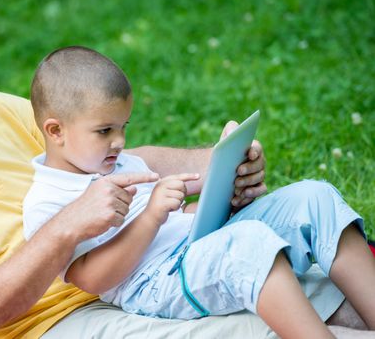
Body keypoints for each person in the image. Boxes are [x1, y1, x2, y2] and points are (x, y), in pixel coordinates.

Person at [0, 0, 372, 339]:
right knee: (253, 317)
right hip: (48, 325)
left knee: (322, 278)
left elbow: (100, 157)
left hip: (147, 263)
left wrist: (216, 165)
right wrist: (72, 225)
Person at [22, 46, 375, 338]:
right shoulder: (48, 201)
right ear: (56, 131)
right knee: (247, 245)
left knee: (315, 198)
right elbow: (92, 279)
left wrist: (224, 189)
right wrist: (151, 218)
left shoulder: (119, 163)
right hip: (151, 283)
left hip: (192, 250)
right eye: (104, 131)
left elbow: (180, 219)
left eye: (123, 126)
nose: (120, 141)